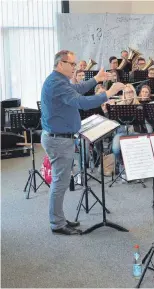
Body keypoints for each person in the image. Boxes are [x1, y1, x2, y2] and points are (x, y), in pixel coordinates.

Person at [41, 50, 124, 235]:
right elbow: (81, 102)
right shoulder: (56, 83)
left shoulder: (59, 80)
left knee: (60, 182)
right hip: (58, 140)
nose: (75, 67)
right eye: (72, 64)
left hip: (60, 138)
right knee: (60, 183)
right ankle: (57, 223)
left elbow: (77, 90)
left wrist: (96, 79)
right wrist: (108, 93)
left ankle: (59, 219)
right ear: (60, 64)